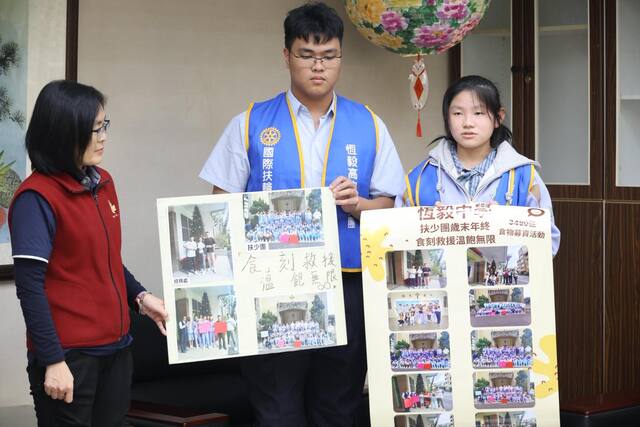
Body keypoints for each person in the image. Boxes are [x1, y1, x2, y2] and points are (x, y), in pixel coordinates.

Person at [198, 3, 403, 425]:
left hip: (347, 283)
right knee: (276, 406)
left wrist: (358, 205)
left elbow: (391, 206)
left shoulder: (369, 124)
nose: (318, 66)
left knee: (339, 404)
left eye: (328, 56)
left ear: (340, 58)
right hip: (270, 285)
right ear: (286, 56)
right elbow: (220, 206)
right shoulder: (250, 123)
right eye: (307, 55)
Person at [8, 80, 169, 427]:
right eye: (95, 129)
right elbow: (30, 288)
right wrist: (53, 360)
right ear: (64, 132)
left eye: (104, 125)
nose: (103, 137)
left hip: (117, 348)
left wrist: (140, 297)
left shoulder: (102, 183)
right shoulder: (36, 198)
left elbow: (105, 260)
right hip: (70, 357)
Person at [401, 75, 560, 256]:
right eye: (458, 113)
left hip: (503, 275)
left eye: (478, 113)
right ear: (447, 118)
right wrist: (430, 228)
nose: (468, 123)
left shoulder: (524, 176)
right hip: (439, 276)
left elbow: (547, 241)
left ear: (498, 118)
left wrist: (503, 227)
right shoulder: (419, 179)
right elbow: (397, 241)